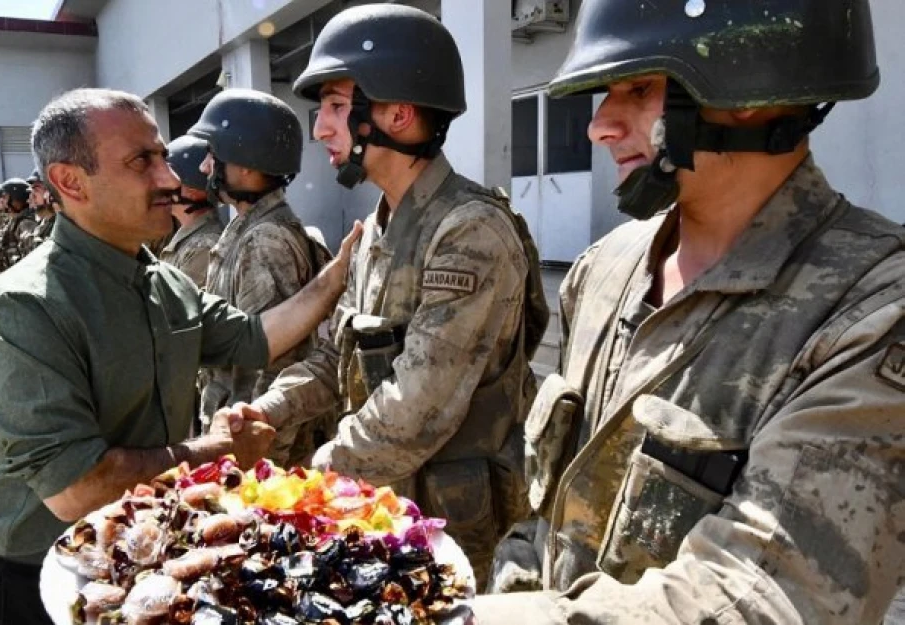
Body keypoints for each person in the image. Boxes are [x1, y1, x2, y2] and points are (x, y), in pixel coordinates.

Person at [476, 1, 905, 623]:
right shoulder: (603, 271)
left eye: (640, 87)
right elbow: (545, 517)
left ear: (751, 90)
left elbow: (763, 599)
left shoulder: (872, 310)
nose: (599, 125)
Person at [0, 88, 360, 625]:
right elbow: (77, 488)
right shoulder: (28, 304)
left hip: (142, 561)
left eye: (161, 156)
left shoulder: (162, 281)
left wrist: (334, 280)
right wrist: (217, 449)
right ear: (69, 181)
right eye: (142, 162)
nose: (171, 179)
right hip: (45, 579)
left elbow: (256, 337)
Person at [227, 4, 549, 585]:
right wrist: (269, 410)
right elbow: (336, 357)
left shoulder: (469, 230)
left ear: (397, 114)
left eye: (334, 107)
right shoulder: (377, 228)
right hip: (384, 501)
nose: (320, 127)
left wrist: (311, 481)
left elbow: (417, 407)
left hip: (454, 524)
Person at [188, 88, 336, 464]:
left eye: (214, 155)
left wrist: (258, 463)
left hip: (261, 451)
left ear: (246, 163)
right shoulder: (247, 228)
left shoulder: (265, 240)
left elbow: (274, 362)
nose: (206, 167)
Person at [157, 134, 222, 287]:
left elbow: (177, 306)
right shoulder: (185, 237)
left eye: (169, 179)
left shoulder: (204, 246)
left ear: (193, 191)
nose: (159, 187)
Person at [0, 177, 36, 271]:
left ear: (17, 199)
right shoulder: (14, 221)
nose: (4, 203)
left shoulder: (26, 224)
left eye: (6, 197)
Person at [23, 168, 58, 253]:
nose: (31, 197)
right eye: (31, 191)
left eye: (36, 190)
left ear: (50, 192)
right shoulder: (43, 224)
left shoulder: (62, 227)